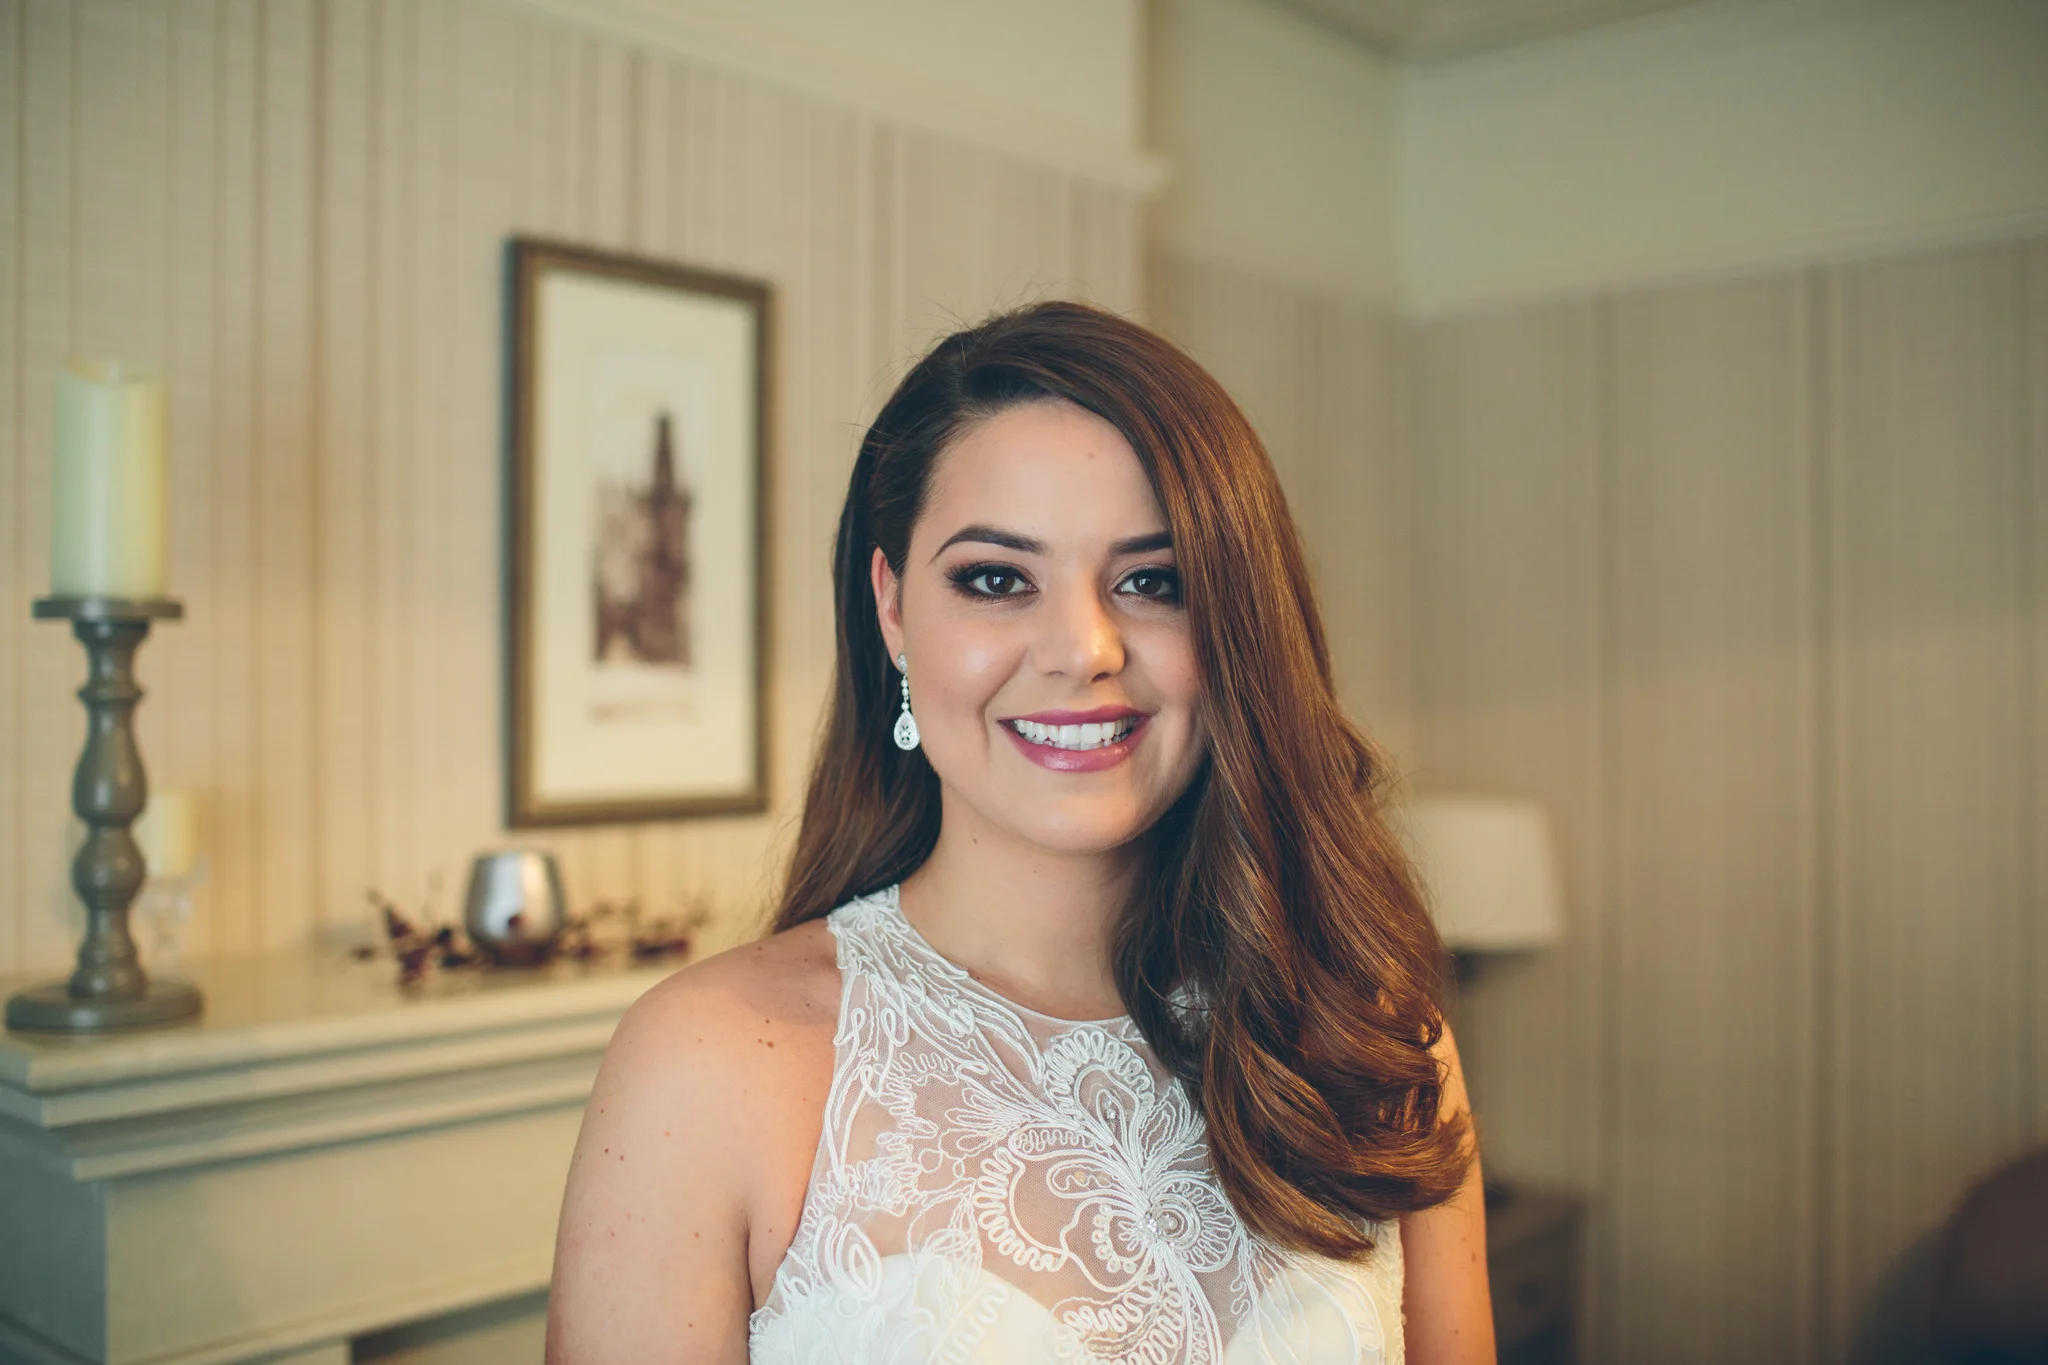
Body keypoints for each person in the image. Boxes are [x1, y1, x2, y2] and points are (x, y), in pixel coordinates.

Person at [545, 301, 1494, 1364]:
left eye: (1151, 581)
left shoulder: (1367, 1036)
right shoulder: (710, 1063)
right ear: (892, 610)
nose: (1081, 649)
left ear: (1232, 620)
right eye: (996, 580)